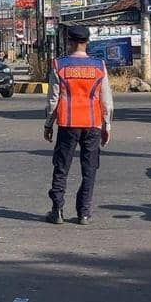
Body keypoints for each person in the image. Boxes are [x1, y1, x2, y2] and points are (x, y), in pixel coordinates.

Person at [43, 25, 113, 225]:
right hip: (92, 123)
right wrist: (107, 125)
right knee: (89, 168)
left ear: (69, 42)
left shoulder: (59, 65)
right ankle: (84, 213)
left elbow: (53, 99)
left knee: (61, 166)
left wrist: (48, 124)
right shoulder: (99, 66)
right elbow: (105, 99)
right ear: (87, 43)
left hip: (68, 122)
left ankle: (57, 210)